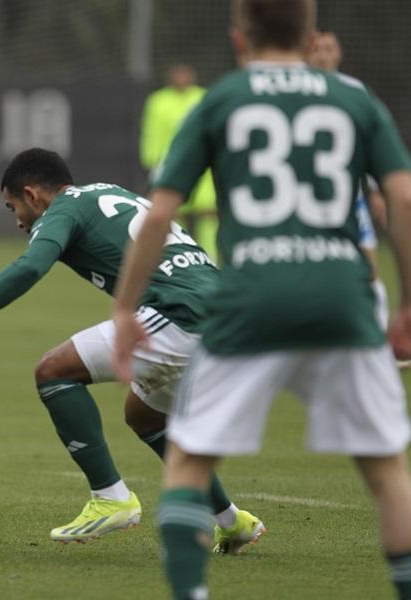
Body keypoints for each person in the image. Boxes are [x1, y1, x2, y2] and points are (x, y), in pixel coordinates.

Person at [112, 1, 411, 598]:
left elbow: (159, 215)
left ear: (238, 38)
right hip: (342, 299)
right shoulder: (354, 100)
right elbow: (401, 199)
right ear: (311, 34)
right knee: (386, 471)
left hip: (249, 301)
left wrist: (124, 309)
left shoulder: (221, 100)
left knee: (190, 458)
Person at [0, 148, 263, 547]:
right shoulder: (108, 193)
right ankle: (232, 521)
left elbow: (30, 266)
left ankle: (110, 497)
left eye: (13, 208)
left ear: (32, 195)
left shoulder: (63, 209)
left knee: (53, 371)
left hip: (183, 315)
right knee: (145, 416)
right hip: (226, 317)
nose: (18, 221)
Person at [308, 29, 392, 333]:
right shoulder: (298, 89)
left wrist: (375, 190)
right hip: (307, 199)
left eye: (329, 48)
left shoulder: (355, 91)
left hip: (349, 197)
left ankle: (377, 333)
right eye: (317, 49)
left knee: (368, 269)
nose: (323, 55)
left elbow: (367, 143)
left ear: (339, 53)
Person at [140, 64, 218, 260]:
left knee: (208, 211)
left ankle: (210, 255)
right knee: (172, 211)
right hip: (173, 163)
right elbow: (152, 132)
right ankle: (180, 254)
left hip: (205, 163)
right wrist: (153, 161)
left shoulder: (203, 96)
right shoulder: (158, 100)